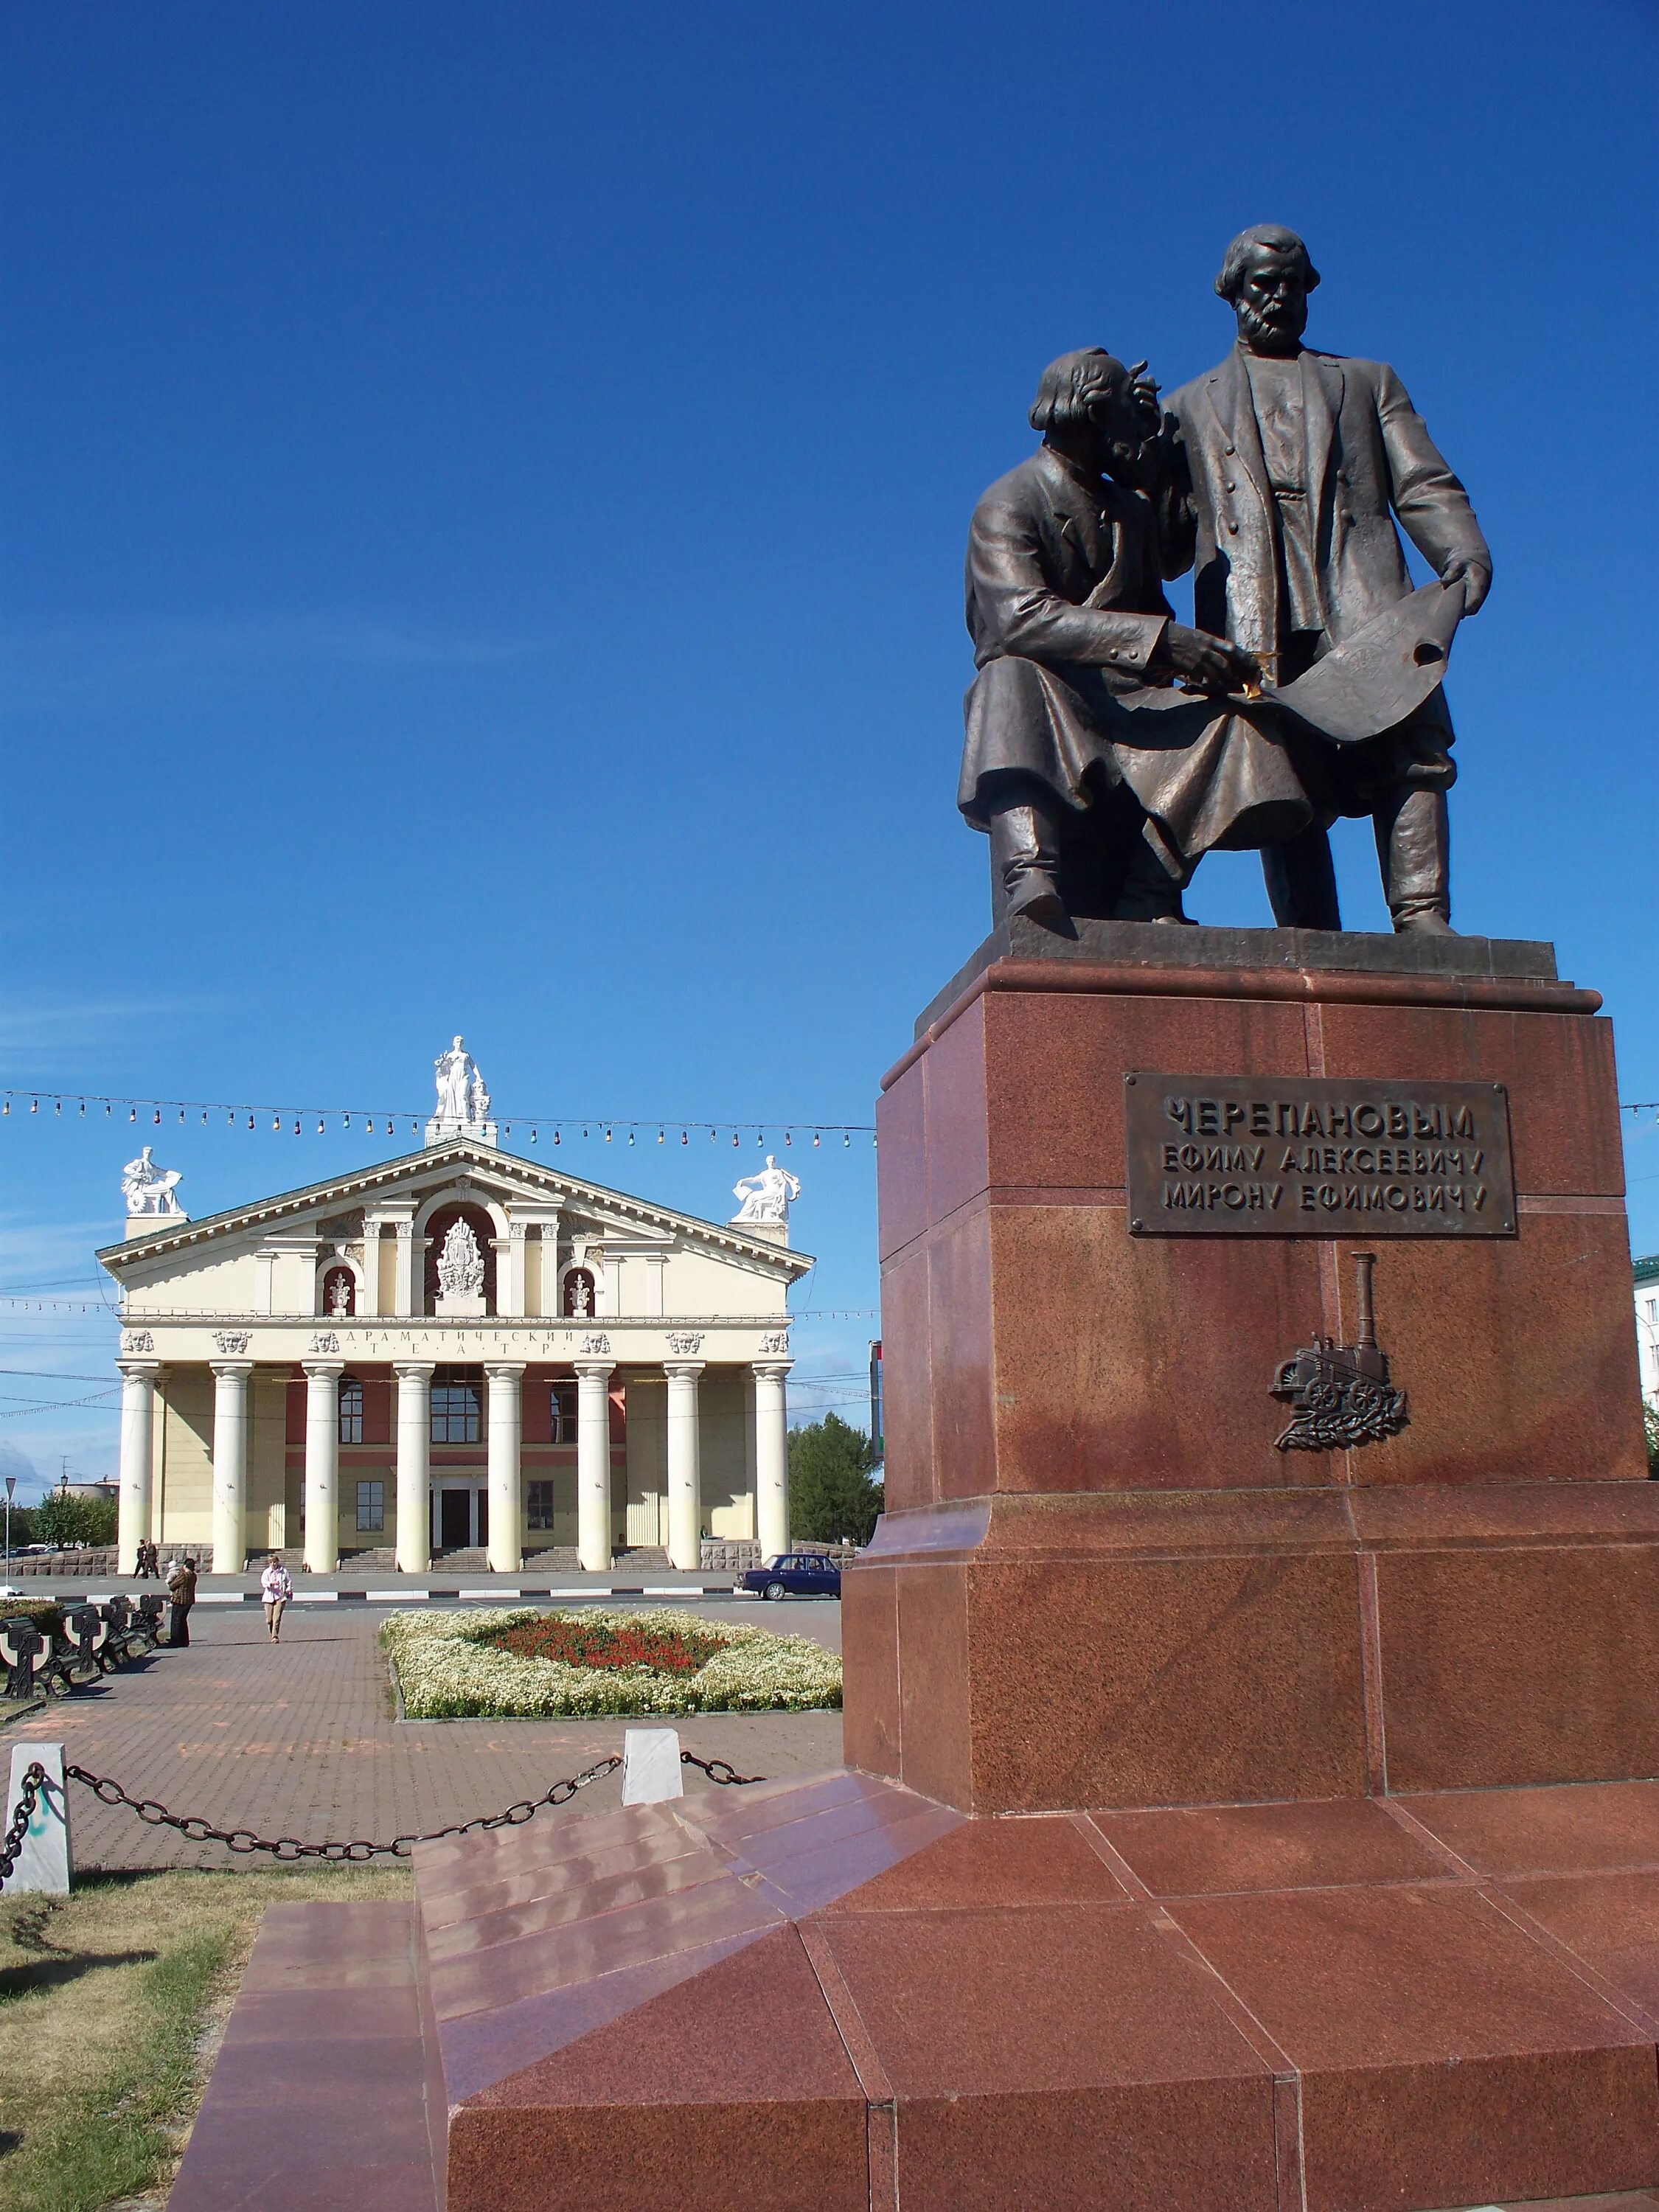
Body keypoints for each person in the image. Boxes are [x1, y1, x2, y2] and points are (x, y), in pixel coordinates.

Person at [1158, 224, 1492, 932]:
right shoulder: (1188, 407)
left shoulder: (1367, 382)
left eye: (1291, 283)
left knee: (1412, 745)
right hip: (1255, 611)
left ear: (1310, 290)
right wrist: (1141, 474)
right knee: (1279, 771)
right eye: (1262, 284)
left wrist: (1462, 553)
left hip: (1360, 593)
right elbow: (1169, 549)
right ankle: (1311, 936)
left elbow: (1422, 483)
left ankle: (1423, 915)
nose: (1278, 297)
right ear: (1232, 293)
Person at [959, 347, 1289, 927]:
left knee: (1235, 718)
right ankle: (1031, 869)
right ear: (1090, 413)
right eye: (1126, 415)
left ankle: (1150, 888)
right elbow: (1018, 621)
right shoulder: (1008, 502)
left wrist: (1200, 666)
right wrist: (1163, 642)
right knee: (1004, 678)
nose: (1138, 428)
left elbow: (1151, 599)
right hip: (1052, 699)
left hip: (1128, 702)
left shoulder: (1128, 511)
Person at [260, 1554, 293, 1642]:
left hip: (280, 1597)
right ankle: (272, 1632)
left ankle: (275, 1636)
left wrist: (288, 1589)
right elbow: (264, 1583)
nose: (273, 1564)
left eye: (275, 1562)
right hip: (268, 1598)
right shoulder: (266, 1572)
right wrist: (272, 1583)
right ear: (269, 1563)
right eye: (271, 1562)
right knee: (269, 1620)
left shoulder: (284, 1571)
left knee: (277, 1618)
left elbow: (289, 1582)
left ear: (278, 1562)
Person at [167, 1554, 198, 1647]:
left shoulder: (184, 1575)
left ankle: (175, 1640)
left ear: (185, 1566)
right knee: (183, 1621)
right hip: (189, 1600)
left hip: (179, 1600)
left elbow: (172, 1585)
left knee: (176, 1621)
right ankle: (184, 1641)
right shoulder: (193, 1576)